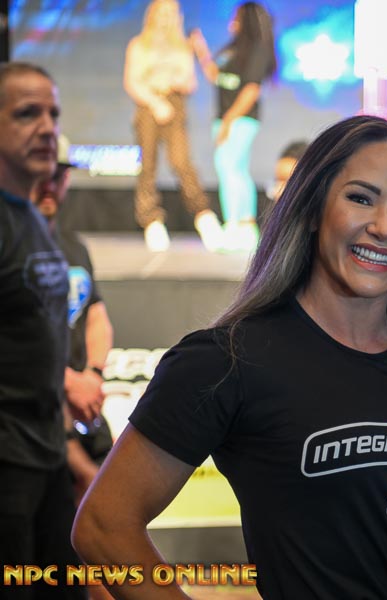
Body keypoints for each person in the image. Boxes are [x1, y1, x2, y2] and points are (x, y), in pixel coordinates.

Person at [72, 115, 387, 599]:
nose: (384, 227)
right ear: (312, 210)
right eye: (360, 198)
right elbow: (103, 525)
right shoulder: (226, 361)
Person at [0, 61, 85, 600]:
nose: (48, 128)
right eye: (27, 114)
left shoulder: (31, 217)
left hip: (46, 452)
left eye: (53, 113)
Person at [33, 135, 115, 511]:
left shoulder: (73, 246)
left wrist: (92, 375)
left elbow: (96, 315)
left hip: (83, 409)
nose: (50, 185)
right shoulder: (10, 245)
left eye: (59, 175)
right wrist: (70, 383)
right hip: (33, 419)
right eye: (42, 175)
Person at [124, 0, 224, 252]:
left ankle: (203, 214)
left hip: (175, 104)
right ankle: (151, 220)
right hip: (148, 104)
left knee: (181, 161)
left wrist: (174, 81)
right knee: (148, 164)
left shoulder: (182, 46)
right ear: (152, 15)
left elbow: (190, 83)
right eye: (162, 13)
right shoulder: (139, 44)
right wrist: (155, 101)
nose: (166, 18)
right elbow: (132, 81)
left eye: (172, 13)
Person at [191, 1, 277, 251]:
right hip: (226, 119)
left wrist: (229, 120)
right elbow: (216, 76)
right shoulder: (233, 48)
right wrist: (201, 50)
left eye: (236, 17)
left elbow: (251, 90)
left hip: (240, 119)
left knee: (230, 168)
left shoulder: (257, 49)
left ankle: (238, 225)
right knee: (233, 169)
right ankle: (242, 226)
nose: (232, 22)